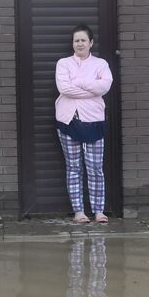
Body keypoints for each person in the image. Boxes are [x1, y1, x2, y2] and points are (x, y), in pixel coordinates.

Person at [55, 24, 113, 223]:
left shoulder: (101, 64)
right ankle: (79, 211)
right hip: (68, 121)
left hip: (94, 121)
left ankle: (99, 211)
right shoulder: (63, 63)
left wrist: (79, 83)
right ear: (73, 43)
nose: (79, 43)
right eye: (76, 40)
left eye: (83, 40)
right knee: (73, 168)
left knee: (95, 167)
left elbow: (105, 86)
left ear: (91, 43)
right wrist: (92, 88)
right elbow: (64, 88)